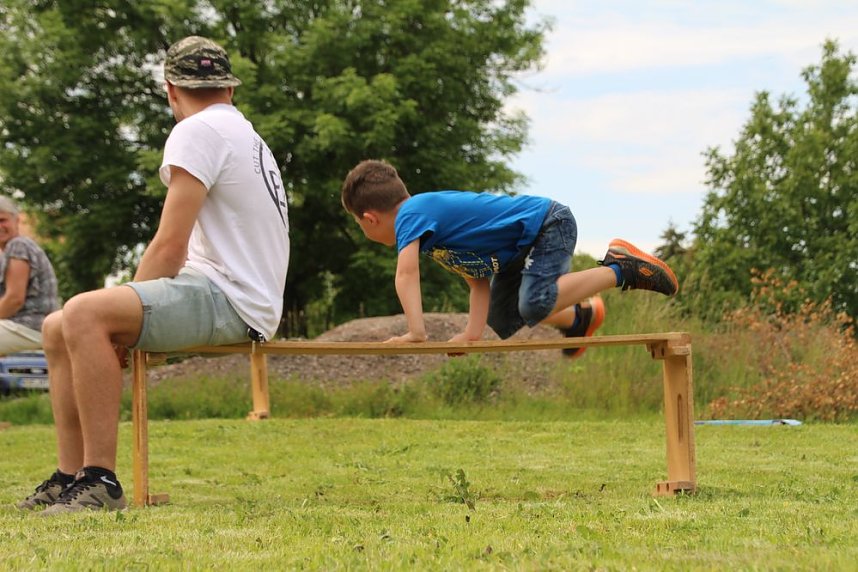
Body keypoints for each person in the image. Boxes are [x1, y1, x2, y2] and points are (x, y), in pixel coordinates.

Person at [16, 36, 290, 514]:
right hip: (243, 296)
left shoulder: (197, 130)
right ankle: (69, 476)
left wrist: (124, 328)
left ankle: (101, 480)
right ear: (230, 88)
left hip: (230, 298)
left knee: (83, 314)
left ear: (170, 90)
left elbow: (170, 245)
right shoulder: (246, 136)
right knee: (56, 326)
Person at [340, 159, 677, 354]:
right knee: (501, 317)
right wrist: (471, 335)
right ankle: (579, 318)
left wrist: (416, 332)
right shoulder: (434, 238)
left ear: (370, 218)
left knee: (533, 303)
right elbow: (478, 284)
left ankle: (621, 268)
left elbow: (406, 274)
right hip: (520, 251)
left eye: (360, 225)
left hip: (547, 224)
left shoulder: (414, 212)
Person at [0, 196, 59, 353]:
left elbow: (14, 300)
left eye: (2, 220)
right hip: (33, 327)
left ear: (16, 220)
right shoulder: (10, 251)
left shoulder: (18, 245)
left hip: (30, 326)